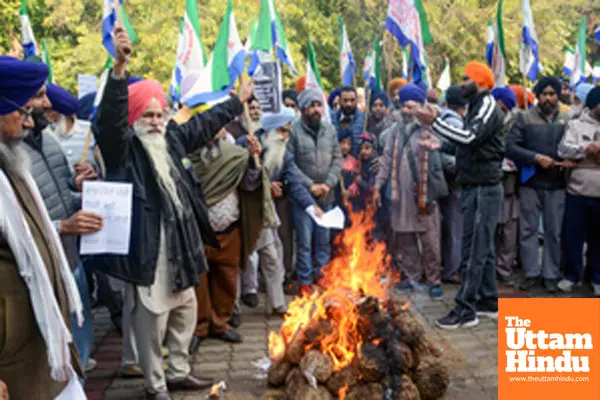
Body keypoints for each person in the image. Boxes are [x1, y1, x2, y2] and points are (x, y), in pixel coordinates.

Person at [89, 28, 252, 399]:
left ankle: (178, 371)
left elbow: (202, 125)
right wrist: (119, 69)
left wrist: (236, 103)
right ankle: (156, 384)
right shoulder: (123, 150)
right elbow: (108, 123)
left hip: (181, 243)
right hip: (149, 248)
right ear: (134, 118)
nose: (156, 120)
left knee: (185, 312)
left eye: (159, 113)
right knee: (152, 321)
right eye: (147, 114)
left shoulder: (171, 138)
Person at [0, 55, 85, 399]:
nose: (31, 124)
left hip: (42, 342)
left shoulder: (12, 161)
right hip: (12, 359)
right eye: (23, 110)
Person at [416, 61, 504, 328]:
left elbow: (468, 138)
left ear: (479, 82)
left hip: (484, 188)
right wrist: (440, 145)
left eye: (466, 79)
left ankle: (465, 309)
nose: (461, 84)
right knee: (483, 248)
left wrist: (435, 124)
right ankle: (488, 301)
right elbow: (470, 147)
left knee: (473, 251)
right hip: (474, 185)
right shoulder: (476, 107)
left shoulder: (487, 105)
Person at [21, 78, 101, 373]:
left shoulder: (50, 141)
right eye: (39, 96)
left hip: (70, 257)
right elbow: (14, 224)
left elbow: (63, 192)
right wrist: (62, 226)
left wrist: (81, 188)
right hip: (39, 268)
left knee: (79, 327)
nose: (48, 104)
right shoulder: (9, 154)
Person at [190, 119, 274, 351]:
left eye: (216, 127)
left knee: (227, 279)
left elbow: (249, 185)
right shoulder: (188, 158)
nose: (212, 132)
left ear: (222, 131)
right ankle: (199, 327)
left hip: (229, 230)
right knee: (199, 282)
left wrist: (254, 162)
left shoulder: (236, 155)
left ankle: (221, 323)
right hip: (199, 231)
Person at [236, 107, 324, 314]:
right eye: (283, 131)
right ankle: (233, 310)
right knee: (242, 260)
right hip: (244, 212)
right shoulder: (244, 145)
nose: (287, 135)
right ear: (269, 131)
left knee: (273, 256)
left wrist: (311, 206)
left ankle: (277, 304)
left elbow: (293, 182)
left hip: (266, 212)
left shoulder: (284, 153)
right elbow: (239, 179)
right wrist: (263, 183)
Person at [374, 83, 448, 300]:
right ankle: (412, 277)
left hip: (424, 194)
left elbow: (446, 146)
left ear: (420, 106)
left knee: (430, 241)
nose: (406, 111)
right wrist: (378, 186)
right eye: (403, 107)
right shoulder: (395, 131)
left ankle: (434, 281)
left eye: (410, 107)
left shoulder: (432, 127)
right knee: (405, 239)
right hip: (401, 196)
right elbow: (387, 161)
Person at [506, 76, 569, 293]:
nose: (548, 98)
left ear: (558, 96)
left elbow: (575, 147)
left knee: (553, 232)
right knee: (528, 230)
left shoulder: (567, 119)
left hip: (558, 183)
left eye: (552, 94)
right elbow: (510, 147)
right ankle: (531, 273)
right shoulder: (524, 118)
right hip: (531, 182)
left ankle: (550, 274)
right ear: (538, 95)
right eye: (544, 94)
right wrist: (534, 157)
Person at [287, 88, 343, 296]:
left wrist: (328, 183)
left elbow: (337, 159)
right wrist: (310, 185)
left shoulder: (329, 129)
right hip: (304, 198)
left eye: (318, 105)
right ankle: (304, 281)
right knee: (304, 241)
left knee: (323, 240)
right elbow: (289, 164)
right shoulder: (293, 130)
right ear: (302, 110)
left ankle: (322, 275)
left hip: (326, 195)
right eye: (311, 106)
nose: (316, 109)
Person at [557, 87, 600, 297]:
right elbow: (563, 149)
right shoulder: (575, 125)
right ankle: (571, 275)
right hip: (577, 191)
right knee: (573, 236)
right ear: (594, 104)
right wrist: (586, 149)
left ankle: (596, 277)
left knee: (598, 238)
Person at [491, 87, 520, 286]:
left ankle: (504, 268)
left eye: (504, 109)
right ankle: (488, 269)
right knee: (489, 229)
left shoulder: (518, 123)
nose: (501, 112)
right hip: (489, 184)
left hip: (511, 185)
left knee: (509, 232)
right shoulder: (483, 121)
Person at [437, 85, 466, 284]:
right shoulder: (455, 123)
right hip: (454, 181)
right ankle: (452, 269)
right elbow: (451, 153)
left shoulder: (440, 120)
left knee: (448, 226)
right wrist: (463, 167)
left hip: (443, 181)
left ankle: (447, 266)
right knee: (455, 227)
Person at [331, 86, 366, 157]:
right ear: (340, 101)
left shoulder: (365, 119)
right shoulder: (330, 118)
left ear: (356, 100)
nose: (349, 104)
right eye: (345, 100)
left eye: (352, 100)